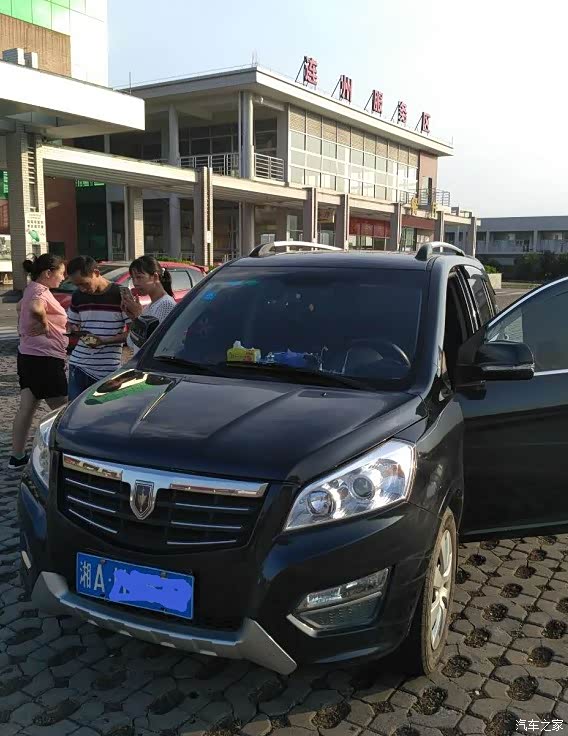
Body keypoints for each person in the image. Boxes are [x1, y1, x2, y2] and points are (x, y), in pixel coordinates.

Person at [10, 254, 68, 468]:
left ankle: (17, 456)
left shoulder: (30, 288)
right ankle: (63, 458)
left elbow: (20, 307)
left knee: (27, 408)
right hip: (45, 359)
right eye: (61, 273)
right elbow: (35, 307)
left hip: (28, 356)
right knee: (63, 411)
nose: (63, 277)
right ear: (48, 273)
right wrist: (44, 323)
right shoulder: (40, 291)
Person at [66, 256, 130, 401]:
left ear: (96, 273)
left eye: (84, 283)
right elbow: (73, 324)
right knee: (75, 411)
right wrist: (77, 331)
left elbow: (133, 333)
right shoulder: (77, 296)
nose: (82, 289)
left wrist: (104, 341)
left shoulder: (120, 294)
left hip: (107, 370)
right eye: (77, 285)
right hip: (78, 366)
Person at [123, 256, 177, 354]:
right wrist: (134, 318)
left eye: (139, 277)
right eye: (133, 278)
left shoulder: (166, 304)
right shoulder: (149, 306)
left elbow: (152, 344)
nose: (135, 283)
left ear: (155, 277)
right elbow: (131, 343)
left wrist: (138, 315)